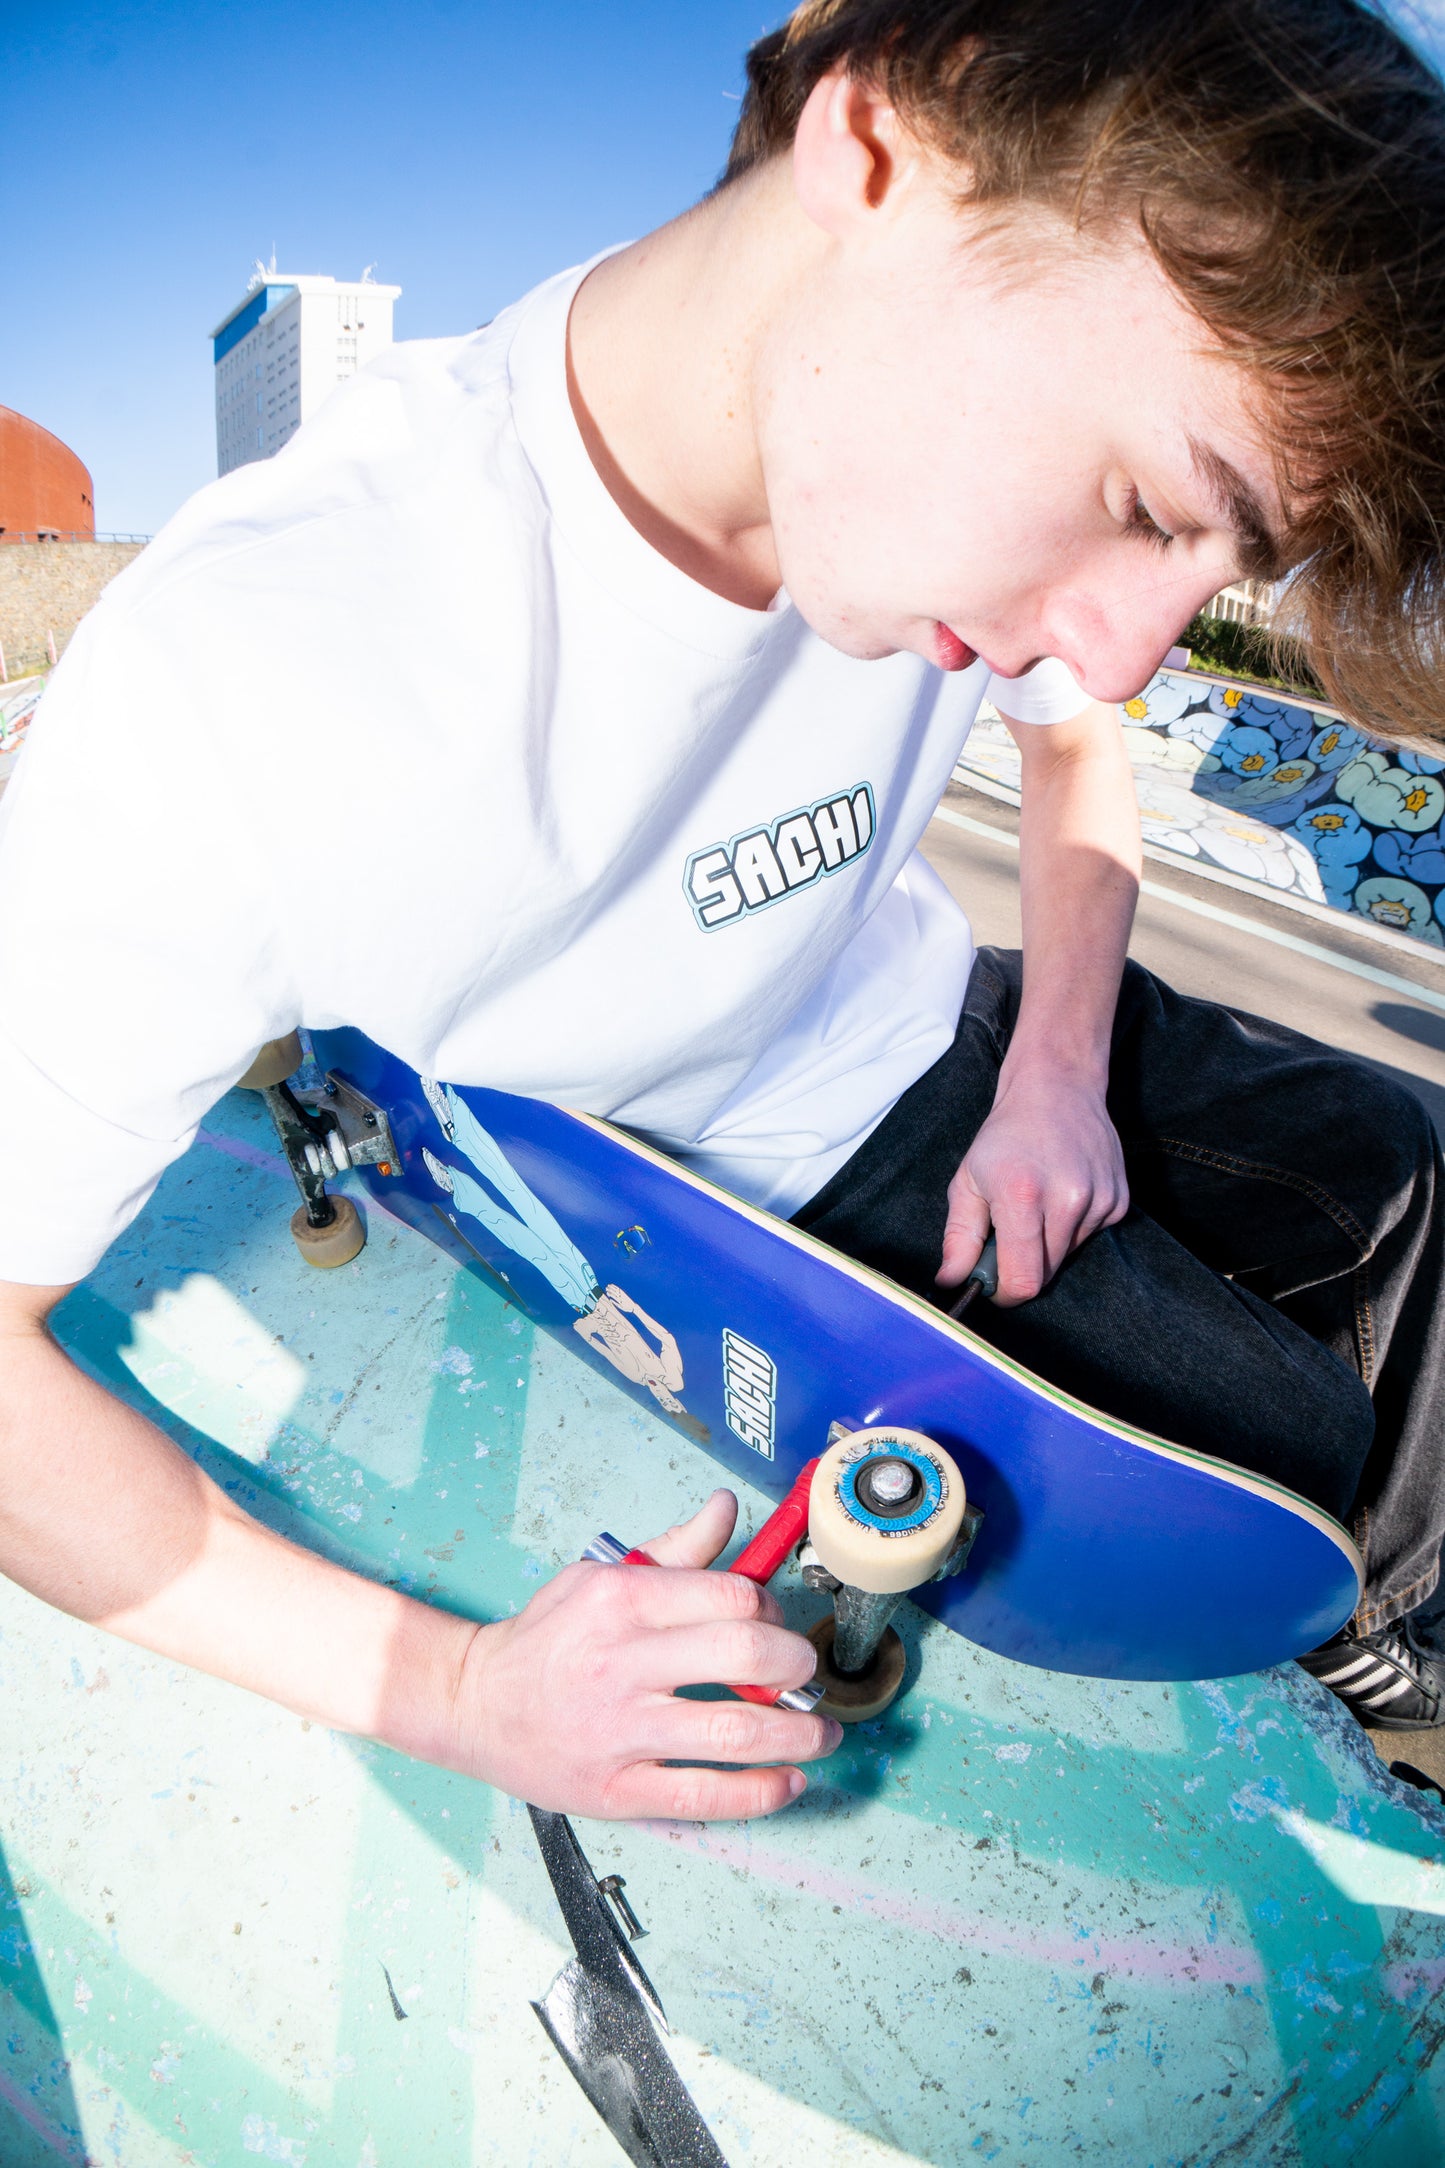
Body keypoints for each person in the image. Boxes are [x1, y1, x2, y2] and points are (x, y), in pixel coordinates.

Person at [5, 0, 1445, 1824]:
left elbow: (1082, 763)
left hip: (994, 1019)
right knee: (1296, 1475)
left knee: (1407, 1176)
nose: (1117, 644)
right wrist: (457, 1689)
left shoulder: (933, 468)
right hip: (792, 1167)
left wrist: (1057, 1075)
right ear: (877, 155)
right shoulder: (261, 676)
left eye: (1211, 568)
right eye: (1147, 504)